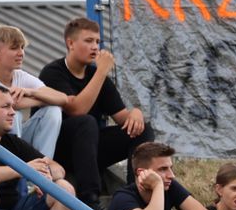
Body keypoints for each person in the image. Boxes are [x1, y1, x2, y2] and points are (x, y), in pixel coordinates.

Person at [41, 17, 155, 199]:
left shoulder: (96, 74)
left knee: (142, 130)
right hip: (60, 150)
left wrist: (136, 113)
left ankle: (135, 191)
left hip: (90, 149)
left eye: (97, 41)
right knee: (86, 122)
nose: (95, 47)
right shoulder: (53, 72)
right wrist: (102, 71)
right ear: (70, 43)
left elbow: (123, 119)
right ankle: (90, 197)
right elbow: (76, 110)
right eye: (88, 41)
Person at [0, 23, 71, 159]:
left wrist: (30, 92)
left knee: (53, 110)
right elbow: (11, 104)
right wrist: (40, 100)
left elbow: (62, 98)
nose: (21, 53)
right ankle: (15, 167)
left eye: (22, 47)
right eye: (14, 48)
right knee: (13, 114)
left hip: (17, 138)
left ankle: (42, 168)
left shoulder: (20, 75)